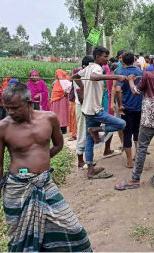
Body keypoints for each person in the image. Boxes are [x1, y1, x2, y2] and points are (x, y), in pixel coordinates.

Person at [0, 83, 92, 252]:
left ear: (29, 102)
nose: (11, 112)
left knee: (74, 230)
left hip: (44, 184)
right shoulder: (1, 128)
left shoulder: (49, 118)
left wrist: (39, 164)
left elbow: (58, 145)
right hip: (17, 190)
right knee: (21, 242)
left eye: (15, 108)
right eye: (7, 108)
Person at [115, 50, 154, 190]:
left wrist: (130, 80)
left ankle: (135, 179)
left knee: (142, 148)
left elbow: (136, 92)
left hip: (149, 119)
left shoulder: (148, 75)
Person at [72, 46, 127, 179]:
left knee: (90, 139)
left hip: (87, 108)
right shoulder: (96, 68)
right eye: (104, 56)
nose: (107, 59)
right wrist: (116, 76)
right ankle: (97, 129)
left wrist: (84, 88)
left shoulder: (87, 68)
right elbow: (93, 77)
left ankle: (90, 168)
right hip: (95, 110)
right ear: (97, 57)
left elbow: (74, 76)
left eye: (107, 56)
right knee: (121, 124)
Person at [115, 51, 143, 168]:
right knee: (137, 131)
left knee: (127, 132)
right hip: (139, 106)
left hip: (127, 106)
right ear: (133, 60)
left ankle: (129, 161)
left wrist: (120, 104)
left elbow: (117, 90)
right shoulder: (140, 72)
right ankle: (137, 155)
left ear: (123, 61)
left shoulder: (121, 73)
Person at [50, 69, 71, 134]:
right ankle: (57, 128)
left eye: (56, 73)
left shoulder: (64, 81)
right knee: (56, 114)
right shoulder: (56, 82)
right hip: (56, 100)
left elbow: (69, 87)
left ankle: (63, 128)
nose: (55, 75)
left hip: (62, 100)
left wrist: (66, 93)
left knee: (62, 114)